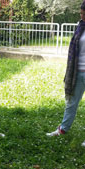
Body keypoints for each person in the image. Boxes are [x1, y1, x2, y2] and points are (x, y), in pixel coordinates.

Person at [46, 0, 85, 147]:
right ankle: (62, 129)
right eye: (81, 14)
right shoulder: (80, 27)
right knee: (71, 103)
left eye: (84, 14)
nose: (82, 17)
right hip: (77, 73)